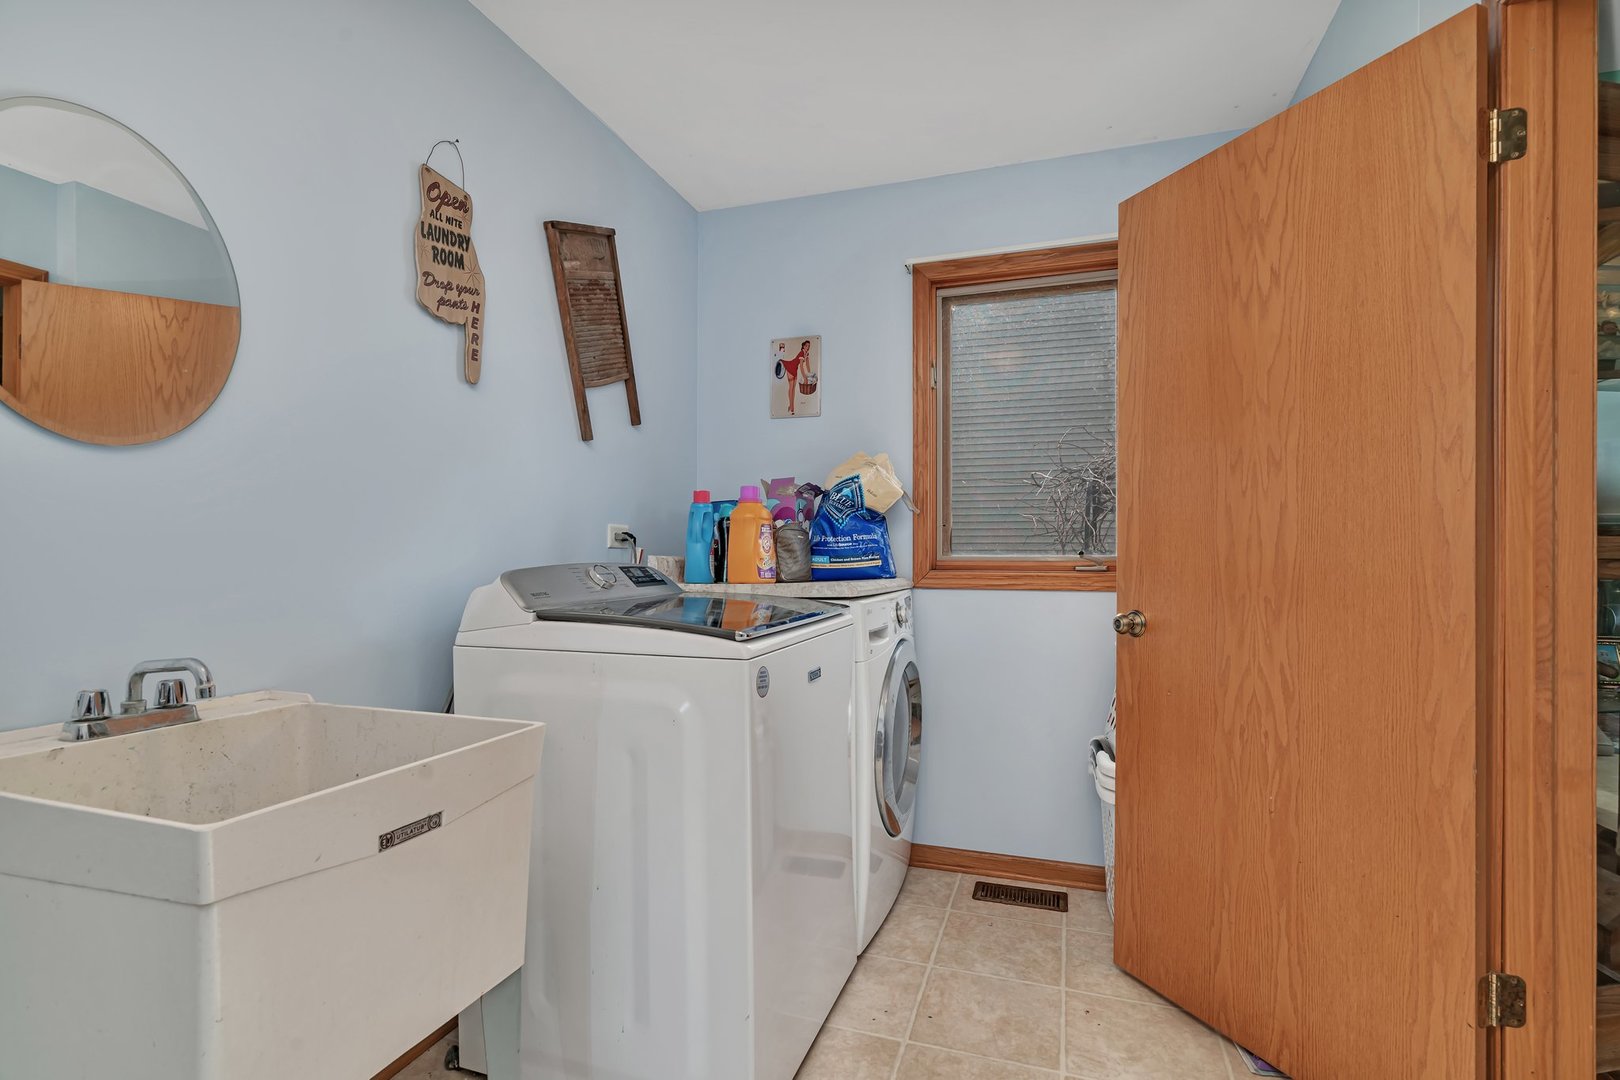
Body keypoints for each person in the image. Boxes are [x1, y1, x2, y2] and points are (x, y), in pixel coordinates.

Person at [779, 339, 813, 415]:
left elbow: (807, 365)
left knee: (793, 389)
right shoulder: (801, 353)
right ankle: (792, 408)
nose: (808, 347)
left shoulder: (807, 353)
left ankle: (791, 406)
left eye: (809, 346)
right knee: (791, 388)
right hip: (791, 367)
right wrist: (804, 377)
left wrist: (810, 374)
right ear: (803, 346)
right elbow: (801, 366)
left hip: (795, 369)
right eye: (806, 346)